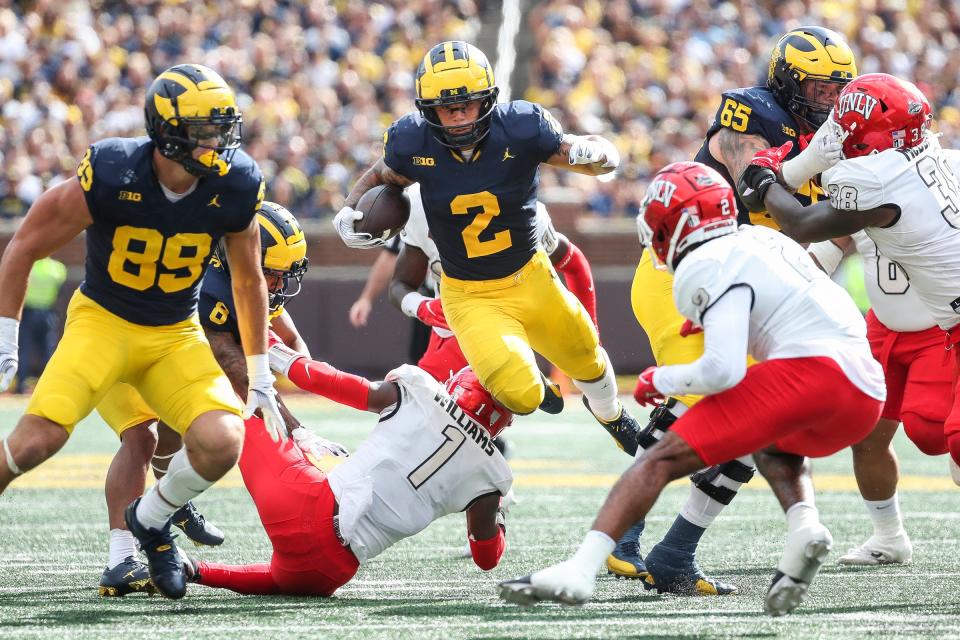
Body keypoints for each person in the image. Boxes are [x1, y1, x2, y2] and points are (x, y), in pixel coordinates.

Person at [498, 161, 885, 616]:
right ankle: (805, 526)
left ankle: (580, 570)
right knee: (772, 442)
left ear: (680, 222)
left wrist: (659, 379)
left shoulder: (704, 262)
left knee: (659, 461)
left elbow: (722, 371)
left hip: (813, 373)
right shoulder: (762, 238)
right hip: (864, 388)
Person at [0, 64, 284, 600]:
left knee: (223, 441)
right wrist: (6, 333)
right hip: (103, 323)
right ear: (168, 132)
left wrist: (262, 371)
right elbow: (25, 243)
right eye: (204, 132)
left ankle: (149, 521)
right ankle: (131, 543)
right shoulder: (113, 170)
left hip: (175, 332)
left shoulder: (236, 182)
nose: (218, 143)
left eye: (222, 129)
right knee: (39, 440)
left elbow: (247, 281)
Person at [610, 26, 858, 594]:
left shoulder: (837, 142)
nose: (826, 102)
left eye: (835, 92)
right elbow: (755, 190)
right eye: (817, 89)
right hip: (683, 275)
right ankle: (625, 532)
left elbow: (828, 242)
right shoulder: (756, 115)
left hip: (743, 285)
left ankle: (675, 554)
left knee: (762, 415)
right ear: (787, 81)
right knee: (708, 397)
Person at [334, 41, 640, 454]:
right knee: (522, 396)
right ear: (428, 110)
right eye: (446, 107)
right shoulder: (412, 143)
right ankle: (529, 376)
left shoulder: (522, 127)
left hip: (532, 275)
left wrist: (602, 151)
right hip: (469, 294)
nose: (458, 116)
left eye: (467, 104)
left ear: (488, 100)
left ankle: (612, 415)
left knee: (588, 357)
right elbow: (382, 173)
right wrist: (349, 209)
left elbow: (584, 156)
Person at [738, 72, 960, 485]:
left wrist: (766, 180)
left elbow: (803, 224)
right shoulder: (937, 156)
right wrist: (785, 173)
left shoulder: (876, 180)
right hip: (946, 321)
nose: (837, 133)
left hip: (945, 323)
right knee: (934, 437)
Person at [95, 201, 311, 596]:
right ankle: (121, 558)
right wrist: (296, 427)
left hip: (164, 354)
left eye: (284, 276)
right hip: (118, 339)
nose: (278, 285)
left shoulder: (239, 275)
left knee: (185, 422)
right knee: (142, 436)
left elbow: (292, 340)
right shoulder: (209, 286)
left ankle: (169, 502)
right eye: (272, 274)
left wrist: (309, 373)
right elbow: (236, 371)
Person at [185, 349, 513, 597]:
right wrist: (497, 514)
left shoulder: (421, 389)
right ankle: (194, 571)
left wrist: (270, 349)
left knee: (240, 397)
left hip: (303, 502)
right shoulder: (491, 475)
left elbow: (334, 383)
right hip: (330, 571)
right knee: (282, 581)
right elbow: (486, 558)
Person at [808, 231, 950, 565]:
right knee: (865, 431)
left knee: (930, 431)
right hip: (883, 325)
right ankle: (889, 537)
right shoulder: (859, 185)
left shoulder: (941, 180)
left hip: (941, 324)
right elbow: (827, 245)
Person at [390, 183, 598, 383]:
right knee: (421, 406)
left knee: (503, 399)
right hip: (459, 332)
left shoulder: (522, 203)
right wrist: (423, 308)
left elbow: (573, 263)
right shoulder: (417, 203)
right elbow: (399, 285)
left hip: (516, 322)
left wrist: (592, 338)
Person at [15, 256, 67, 394]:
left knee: (23, 349)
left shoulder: (29, 266)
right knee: (47, 351)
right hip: (48, 314)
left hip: (28, 312)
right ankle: (52, 385)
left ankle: (20, 385)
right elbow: (59, 292)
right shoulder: (58, 269)